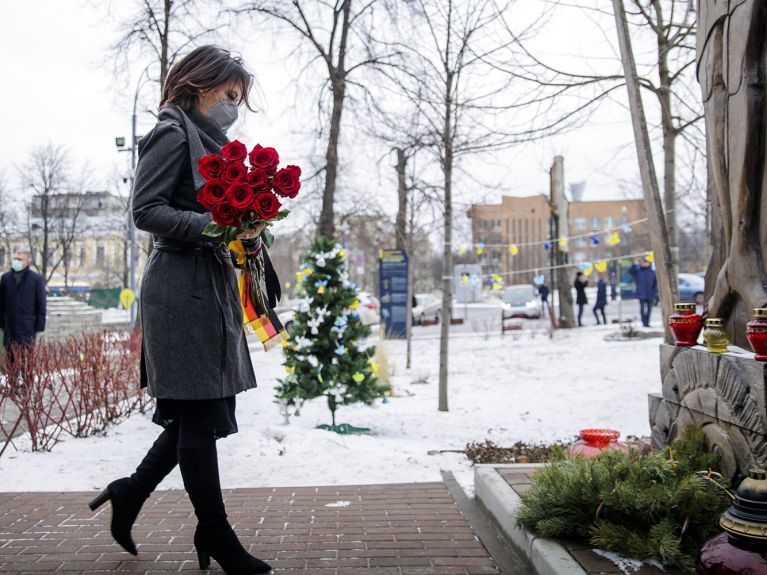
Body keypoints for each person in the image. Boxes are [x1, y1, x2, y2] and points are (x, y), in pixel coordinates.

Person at [88, 46, 272, 574]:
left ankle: (130, 492)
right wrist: (215, 228)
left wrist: (248, 234)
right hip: (178, 290)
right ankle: (214, 533)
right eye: (229, 95)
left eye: (239, 98)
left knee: (201, 411)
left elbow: (215, 216)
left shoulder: (215, 144)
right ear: (199, 85)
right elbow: (145, 210)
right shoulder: (172, 132)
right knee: (197, 413)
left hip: (207, 286)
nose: (234, 106)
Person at [0, 250, 46, 394]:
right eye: (15, 258)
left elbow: (41, 303)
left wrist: (40, 324)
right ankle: (13, 386)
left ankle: (26, 386)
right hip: (10, 325)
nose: (16, 261)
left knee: (27, 358)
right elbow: (1, 303)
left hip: (27, 325)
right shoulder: (6, 278)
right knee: (11, 358)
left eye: (19, 259)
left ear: (26, 262)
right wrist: (1, 323)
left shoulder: (36, 279)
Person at [629, 257, 657, 328]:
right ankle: (644, 323)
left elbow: (655, 283)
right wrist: (635, 264)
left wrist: (654, 292)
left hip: (650, 294)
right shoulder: (638, 271)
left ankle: (647, 322)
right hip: (641, 294)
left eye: (646, 263)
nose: (645, 264)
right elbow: (631, 271)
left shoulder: (652, 272)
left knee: (649, 310)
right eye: (644, 262)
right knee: (642, 309)